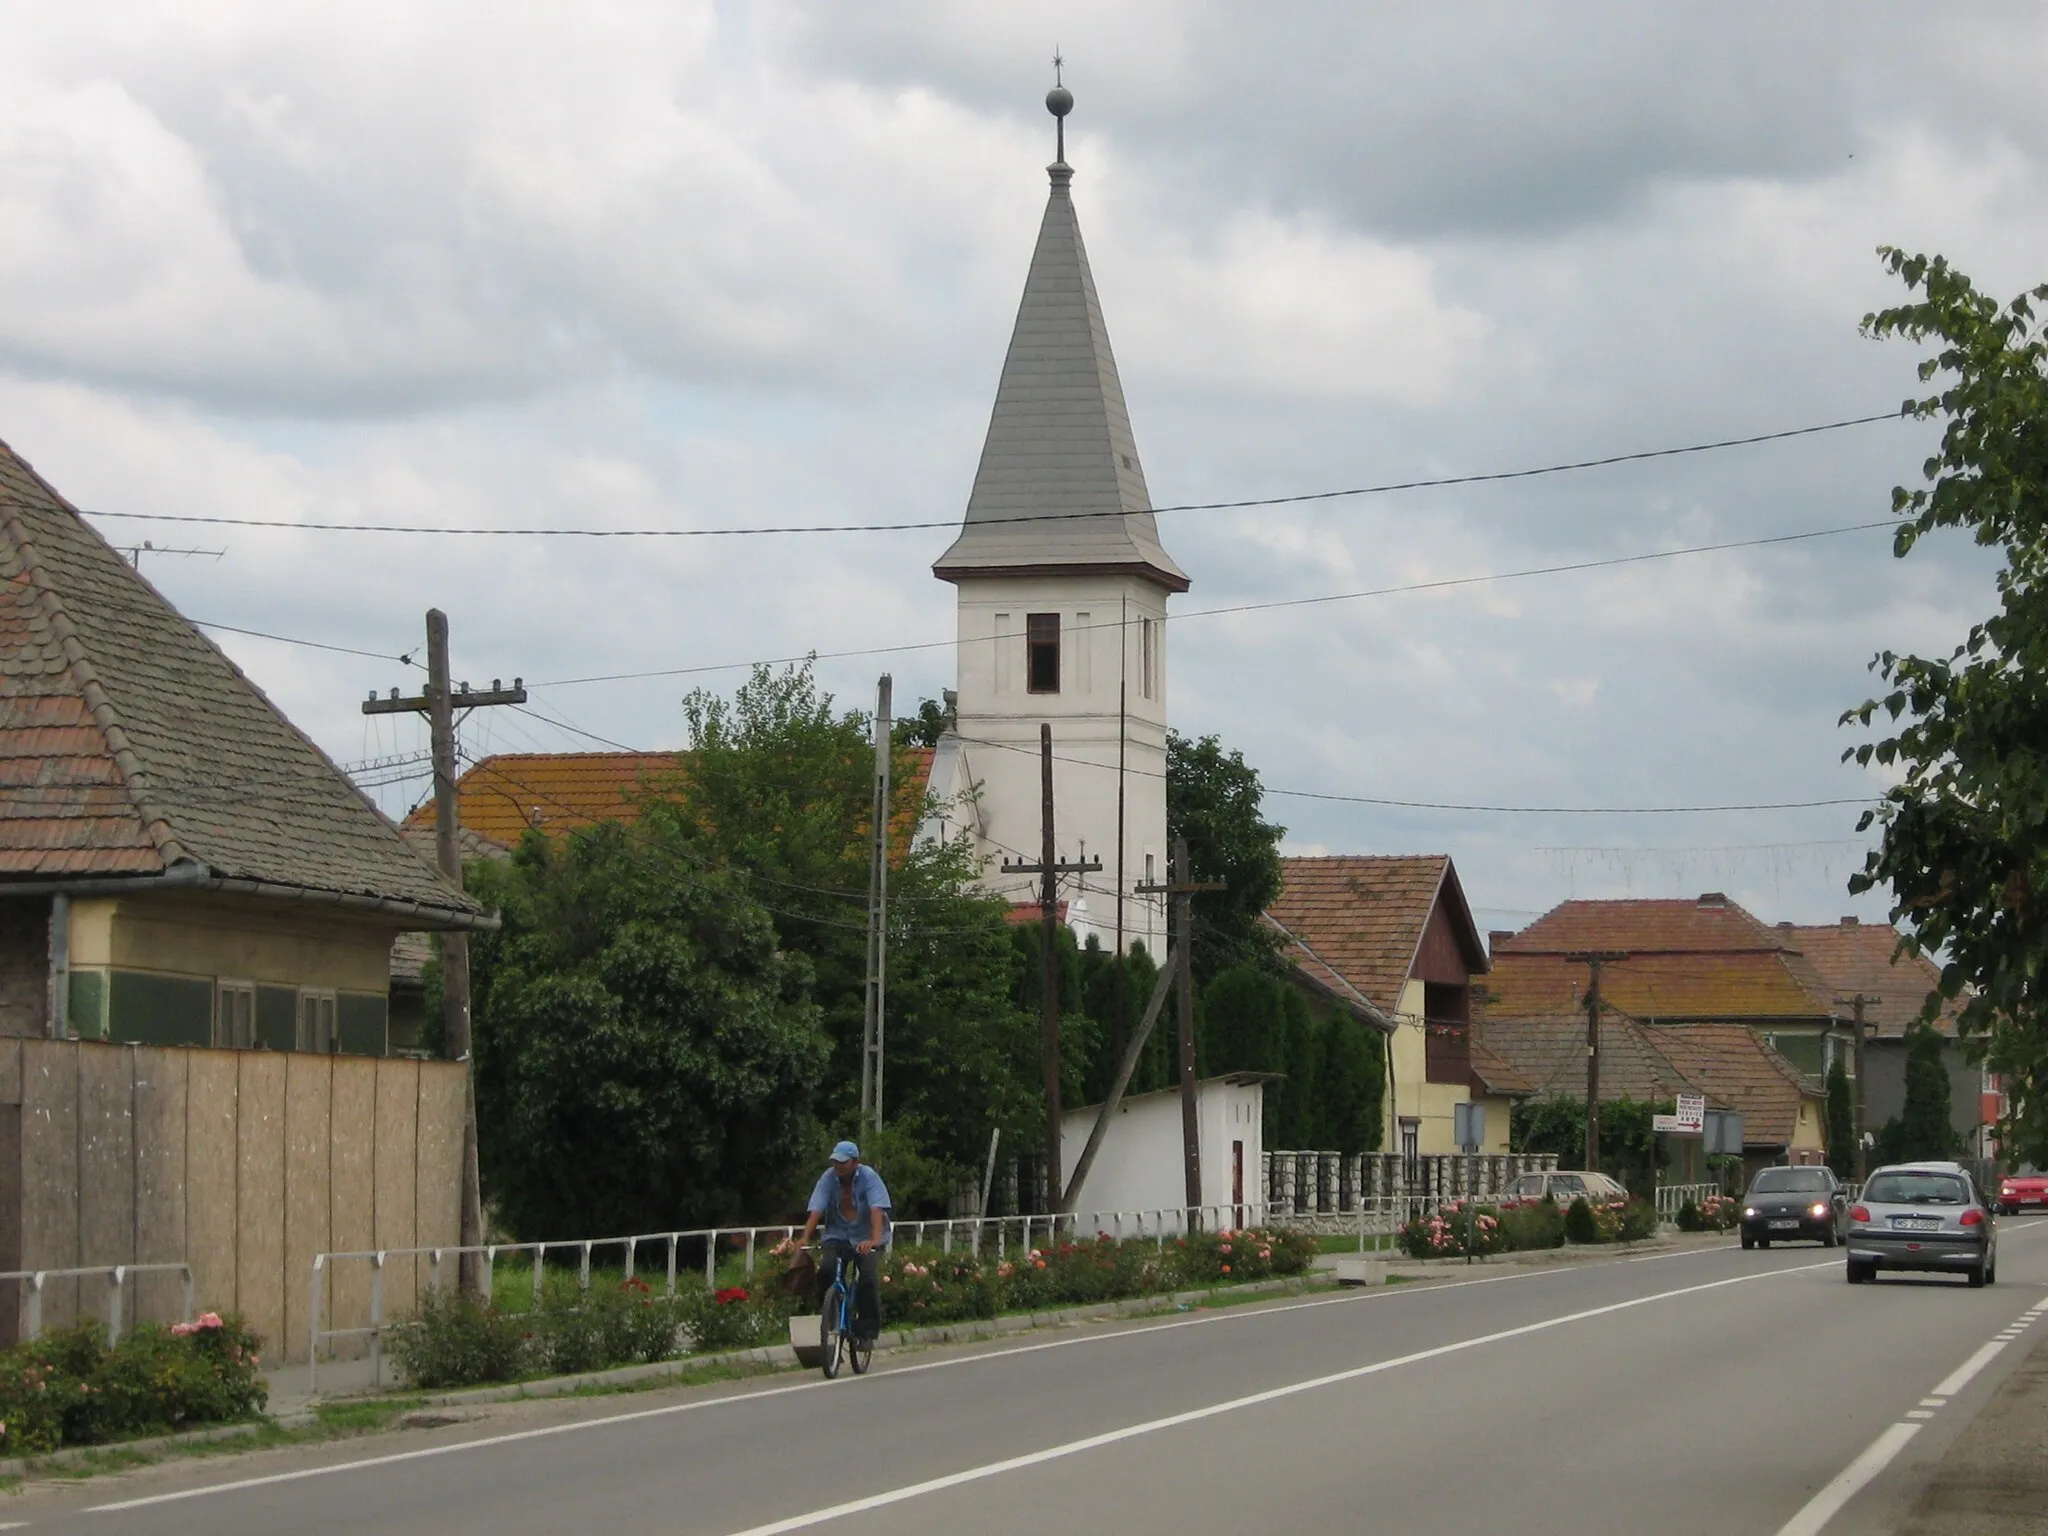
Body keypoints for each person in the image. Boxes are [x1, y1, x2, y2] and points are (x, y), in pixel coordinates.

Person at [799, 1140, 891, 1340]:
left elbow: (877, 1210)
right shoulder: (829, 1178)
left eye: (843, 1162)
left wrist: (874, 1241)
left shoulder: (869, 1178)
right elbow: (817, 1209)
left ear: (855, 1162)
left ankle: (867, 1330)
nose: (838, 1167)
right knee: (826, 1270)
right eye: (835, 1162)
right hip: (838, 1235)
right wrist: (803, 1239)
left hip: (866, 1236)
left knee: (867, 1277)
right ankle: (830, 1313)